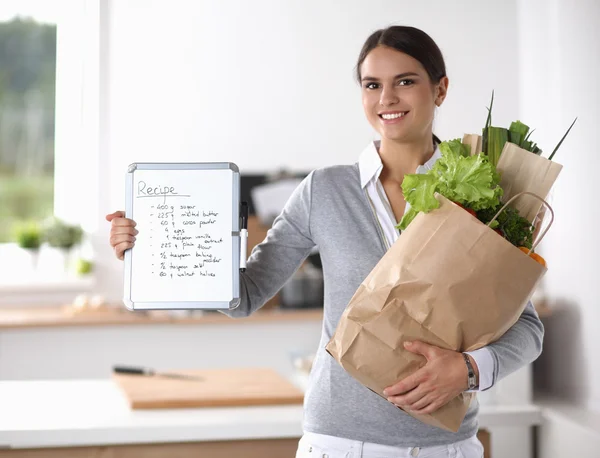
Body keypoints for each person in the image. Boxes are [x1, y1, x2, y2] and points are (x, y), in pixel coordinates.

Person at [107, 26, 543, 458]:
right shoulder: (325, 191)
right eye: (372, 85)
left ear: (440, 89)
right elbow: (243, 296)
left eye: (405, 82)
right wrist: (153, 246)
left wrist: (468, 370)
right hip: (339, 443)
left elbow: (527, 328)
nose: (386, 99)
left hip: (445, 446)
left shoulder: (484, 194)